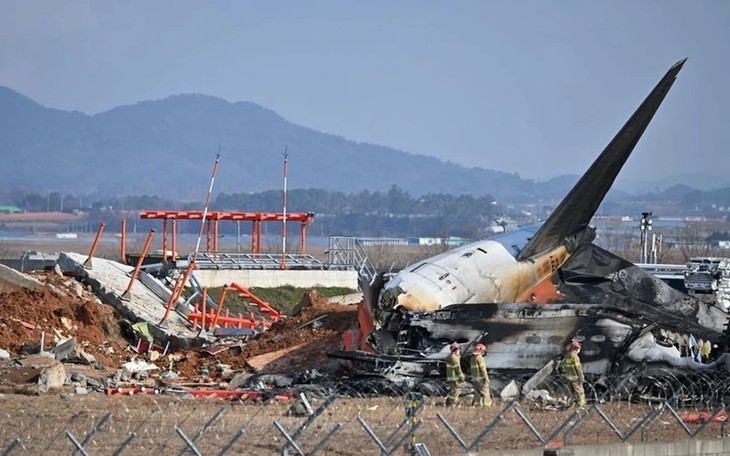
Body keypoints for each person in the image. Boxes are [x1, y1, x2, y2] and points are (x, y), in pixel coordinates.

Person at [563, 341, 586, 407]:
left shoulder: (567, 355)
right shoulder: (574, 356)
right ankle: (581, 405)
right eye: (578, 348)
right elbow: (578, 368)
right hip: (575, 377)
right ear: (576, 348)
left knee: (571, 392)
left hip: (569, 376)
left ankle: (570, 404)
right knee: (580, 391)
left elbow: (564, 366)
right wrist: (581, 377)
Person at [469, 343, 492, 407]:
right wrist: (486, 379)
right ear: (481, 350)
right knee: (485, 392)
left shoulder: (472, 358)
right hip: (481, 379)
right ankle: (487, 406)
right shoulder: (479, 358)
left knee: (477, 393)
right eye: (483, 351)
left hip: (475, 378)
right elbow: (483, 370)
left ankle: (477, 405)